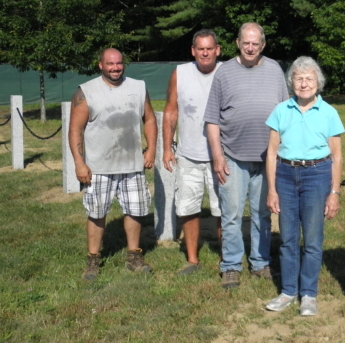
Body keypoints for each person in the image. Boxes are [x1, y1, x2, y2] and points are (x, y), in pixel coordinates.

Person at [204, 22, 288, 289]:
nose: (250, 47)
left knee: (263, 213)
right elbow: (212, 120)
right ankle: (230, 266)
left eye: (256, 43)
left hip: (268, 160)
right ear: (238, 43)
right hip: (233, 156)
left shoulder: (275, 70)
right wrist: (218, 155)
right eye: (246, 42)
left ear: (262, 45)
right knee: (231, 214)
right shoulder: (224, 72)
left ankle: (260, 262)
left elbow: (286, 114)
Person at [264, 56, 344, 316]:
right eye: (298, 78)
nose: (304, 83)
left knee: (311, 238)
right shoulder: (281, 110)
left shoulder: (329, 112)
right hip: (286, 175)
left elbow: (337, 156)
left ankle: (308, 294)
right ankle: (288, 290)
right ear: (292, 82)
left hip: (317, 175)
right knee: (287, 239)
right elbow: (272, 153)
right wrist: (272, 190)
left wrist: (334, 192)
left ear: (317, 82)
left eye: (309, 78)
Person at [69, 48, 157, 281]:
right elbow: (75, 129)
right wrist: (79, 162)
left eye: (119, 63)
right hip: (99, 167)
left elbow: (149, 118)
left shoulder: (138, 87)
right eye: (110, 64)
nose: (115, 68)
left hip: (132, 165)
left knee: (136, 210)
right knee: (97, 213)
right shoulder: (85, 92)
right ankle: (93, 260)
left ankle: (134, 256)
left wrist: (152, 149)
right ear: (100, 65)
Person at [163, 30, 224, 275]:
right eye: (201, 48)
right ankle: (192, 259)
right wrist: (167, 148)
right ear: (193, 51)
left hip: (220, 155)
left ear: (218, 50)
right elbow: (170, 111)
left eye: (210, 48)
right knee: (188, 208)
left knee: (223, 209)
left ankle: (225, 258)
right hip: (188, 154)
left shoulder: (227, 72)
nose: (205, 52)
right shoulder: (180, 73)